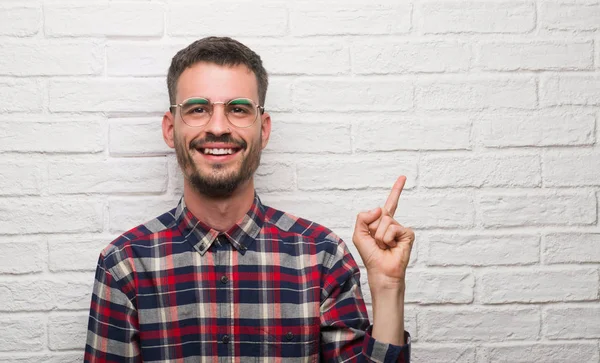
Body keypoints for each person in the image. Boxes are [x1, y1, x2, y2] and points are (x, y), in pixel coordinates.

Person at [84, 36, 414, 362]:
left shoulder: (323, 257)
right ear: (170, 129)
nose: (217, 127)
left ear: (264, 129)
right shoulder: (123, 266)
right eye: (198, 109)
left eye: (238, 109)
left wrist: (388, 288)